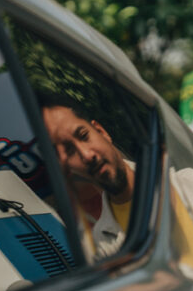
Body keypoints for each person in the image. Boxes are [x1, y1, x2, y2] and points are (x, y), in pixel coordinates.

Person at [39, 93, 135, 258]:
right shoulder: (102, 248)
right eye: (70, 151)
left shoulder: (186, 184)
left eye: (84, 136)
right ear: (65, 167)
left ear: (101, 131)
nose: (86, 155)